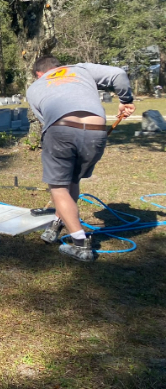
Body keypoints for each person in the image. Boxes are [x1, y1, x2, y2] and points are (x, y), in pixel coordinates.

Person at [26, 56, 135, 261]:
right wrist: (126, 100)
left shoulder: (34, 87)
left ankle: (80, 244)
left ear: (39, 74)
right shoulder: (80, 69)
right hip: (96, 130)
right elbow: (119, 74)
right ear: (59, 67)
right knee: (72, 180)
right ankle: (57, 225)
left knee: (58, 187)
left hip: (60, 128)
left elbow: (45, 122)